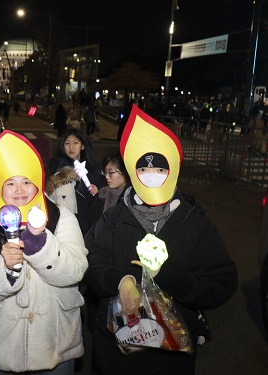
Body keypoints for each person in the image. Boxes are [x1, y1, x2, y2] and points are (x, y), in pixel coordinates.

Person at [83, 106, 238, 374]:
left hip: (171, 359)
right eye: (143, 168)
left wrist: (168, 276)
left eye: (159, 168)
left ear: (173, 170)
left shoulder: (195, 222)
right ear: (132, 171)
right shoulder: (114, 218)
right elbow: (89, 263)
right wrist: (120, 281)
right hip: (115, 357)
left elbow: (221, 283)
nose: (151, 175)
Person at [0, 130, 88, 374]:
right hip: (1, 348)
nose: (19, 190)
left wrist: (40, 245)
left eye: (26, 182)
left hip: (57, 343)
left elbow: (76, 271)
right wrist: (6, 269)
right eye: (11, 183)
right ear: (1, 186)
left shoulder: (61, 216)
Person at [49, 128, 105, 235]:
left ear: (82, 146)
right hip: (67, 222)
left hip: (89, 222)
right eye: (67, 143)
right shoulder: (57, 168)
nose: (71, 147)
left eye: (76, 143)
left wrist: (98, 190)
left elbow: (105, 190)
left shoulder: (94, 169)